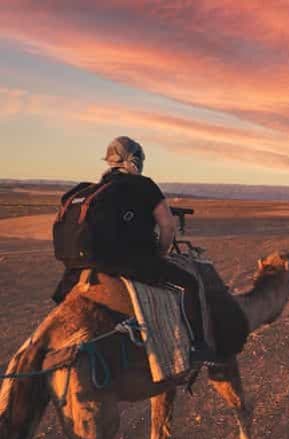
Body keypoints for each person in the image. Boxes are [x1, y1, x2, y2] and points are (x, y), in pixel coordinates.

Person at [52, 136, 224, 367]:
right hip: (122, 262)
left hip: (78, 263)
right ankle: (198, 348)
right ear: (134, 160)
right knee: (188, 284)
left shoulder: (90, 189)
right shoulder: (143, 185)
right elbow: (167, 226)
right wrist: (161, 254)